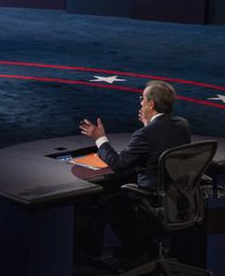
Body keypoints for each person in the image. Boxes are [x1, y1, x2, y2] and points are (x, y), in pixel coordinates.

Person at [78, 80, 191, 258]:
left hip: (151, 197)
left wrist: (100, 138)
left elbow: (118, 164)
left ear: (151, 103)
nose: (141, 103)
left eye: (142, 99)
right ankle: (145, 247)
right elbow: (161, 141)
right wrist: (149, 126)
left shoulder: (145, 135)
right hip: (177, 195)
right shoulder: (183, 124)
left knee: (106, 201)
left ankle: (132, 249)